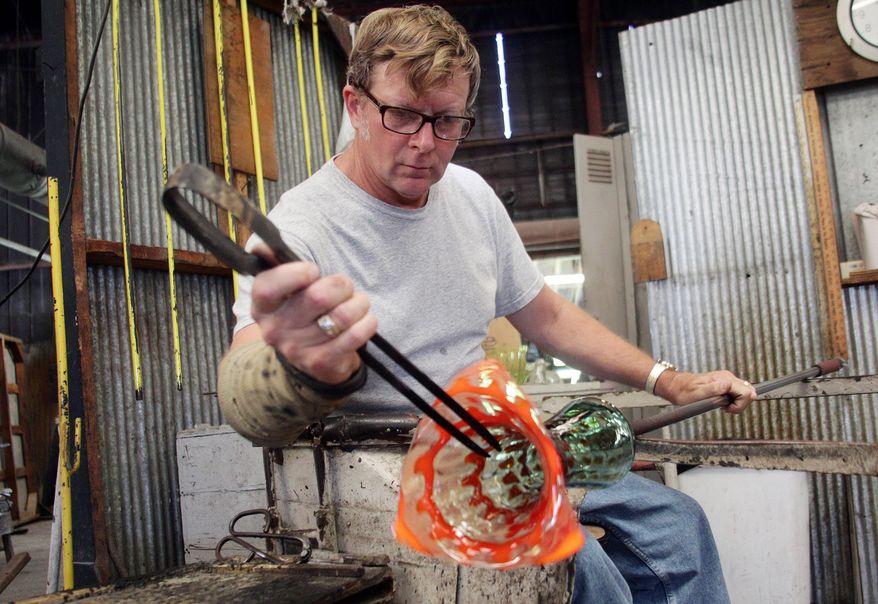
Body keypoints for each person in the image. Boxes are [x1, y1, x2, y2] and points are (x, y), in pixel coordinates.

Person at [217, 5, 756, 603]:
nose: (426, 143)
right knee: (587, 572)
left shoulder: (470, 195)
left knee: (680, 529)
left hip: (504, 443)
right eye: (402, 116)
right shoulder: (299, 228)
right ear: (356, 105)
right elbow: (247, 389)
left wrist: (667, 380)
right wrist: (289, 372)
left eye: (447, 121)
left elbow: (546, 315)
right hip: (388, 464)